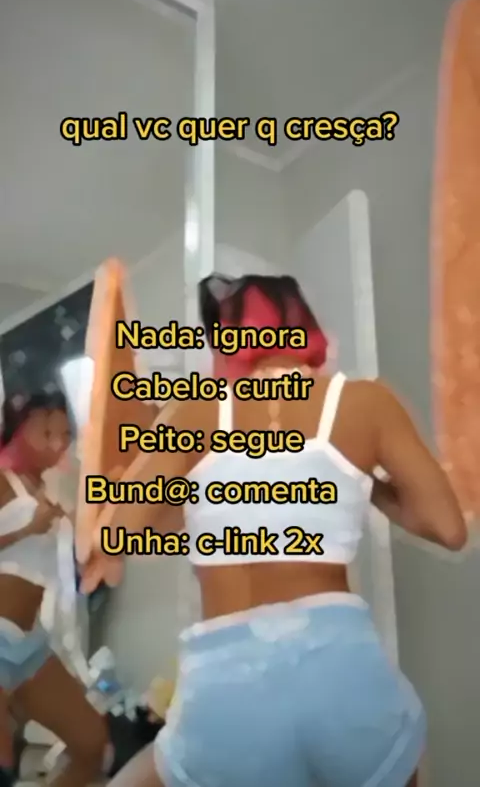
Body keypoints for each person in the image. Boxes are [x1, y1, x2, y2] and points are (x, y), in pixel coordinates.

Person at [90, 274, 466, 787]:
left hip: (229, 685)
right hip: (344, 671)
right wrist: (365, 482)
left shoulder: (193, 412)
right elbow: (449, 529)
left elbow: (116, 535)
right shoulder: (366, 403)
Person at [0, 390, 109, 787]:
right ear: (18, 430)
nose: (58, 443)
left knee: (92, 744)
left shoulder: (42, 489)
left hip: (29, 644)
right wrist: (28, 529)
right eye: (46, 432)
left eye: (64, 433)